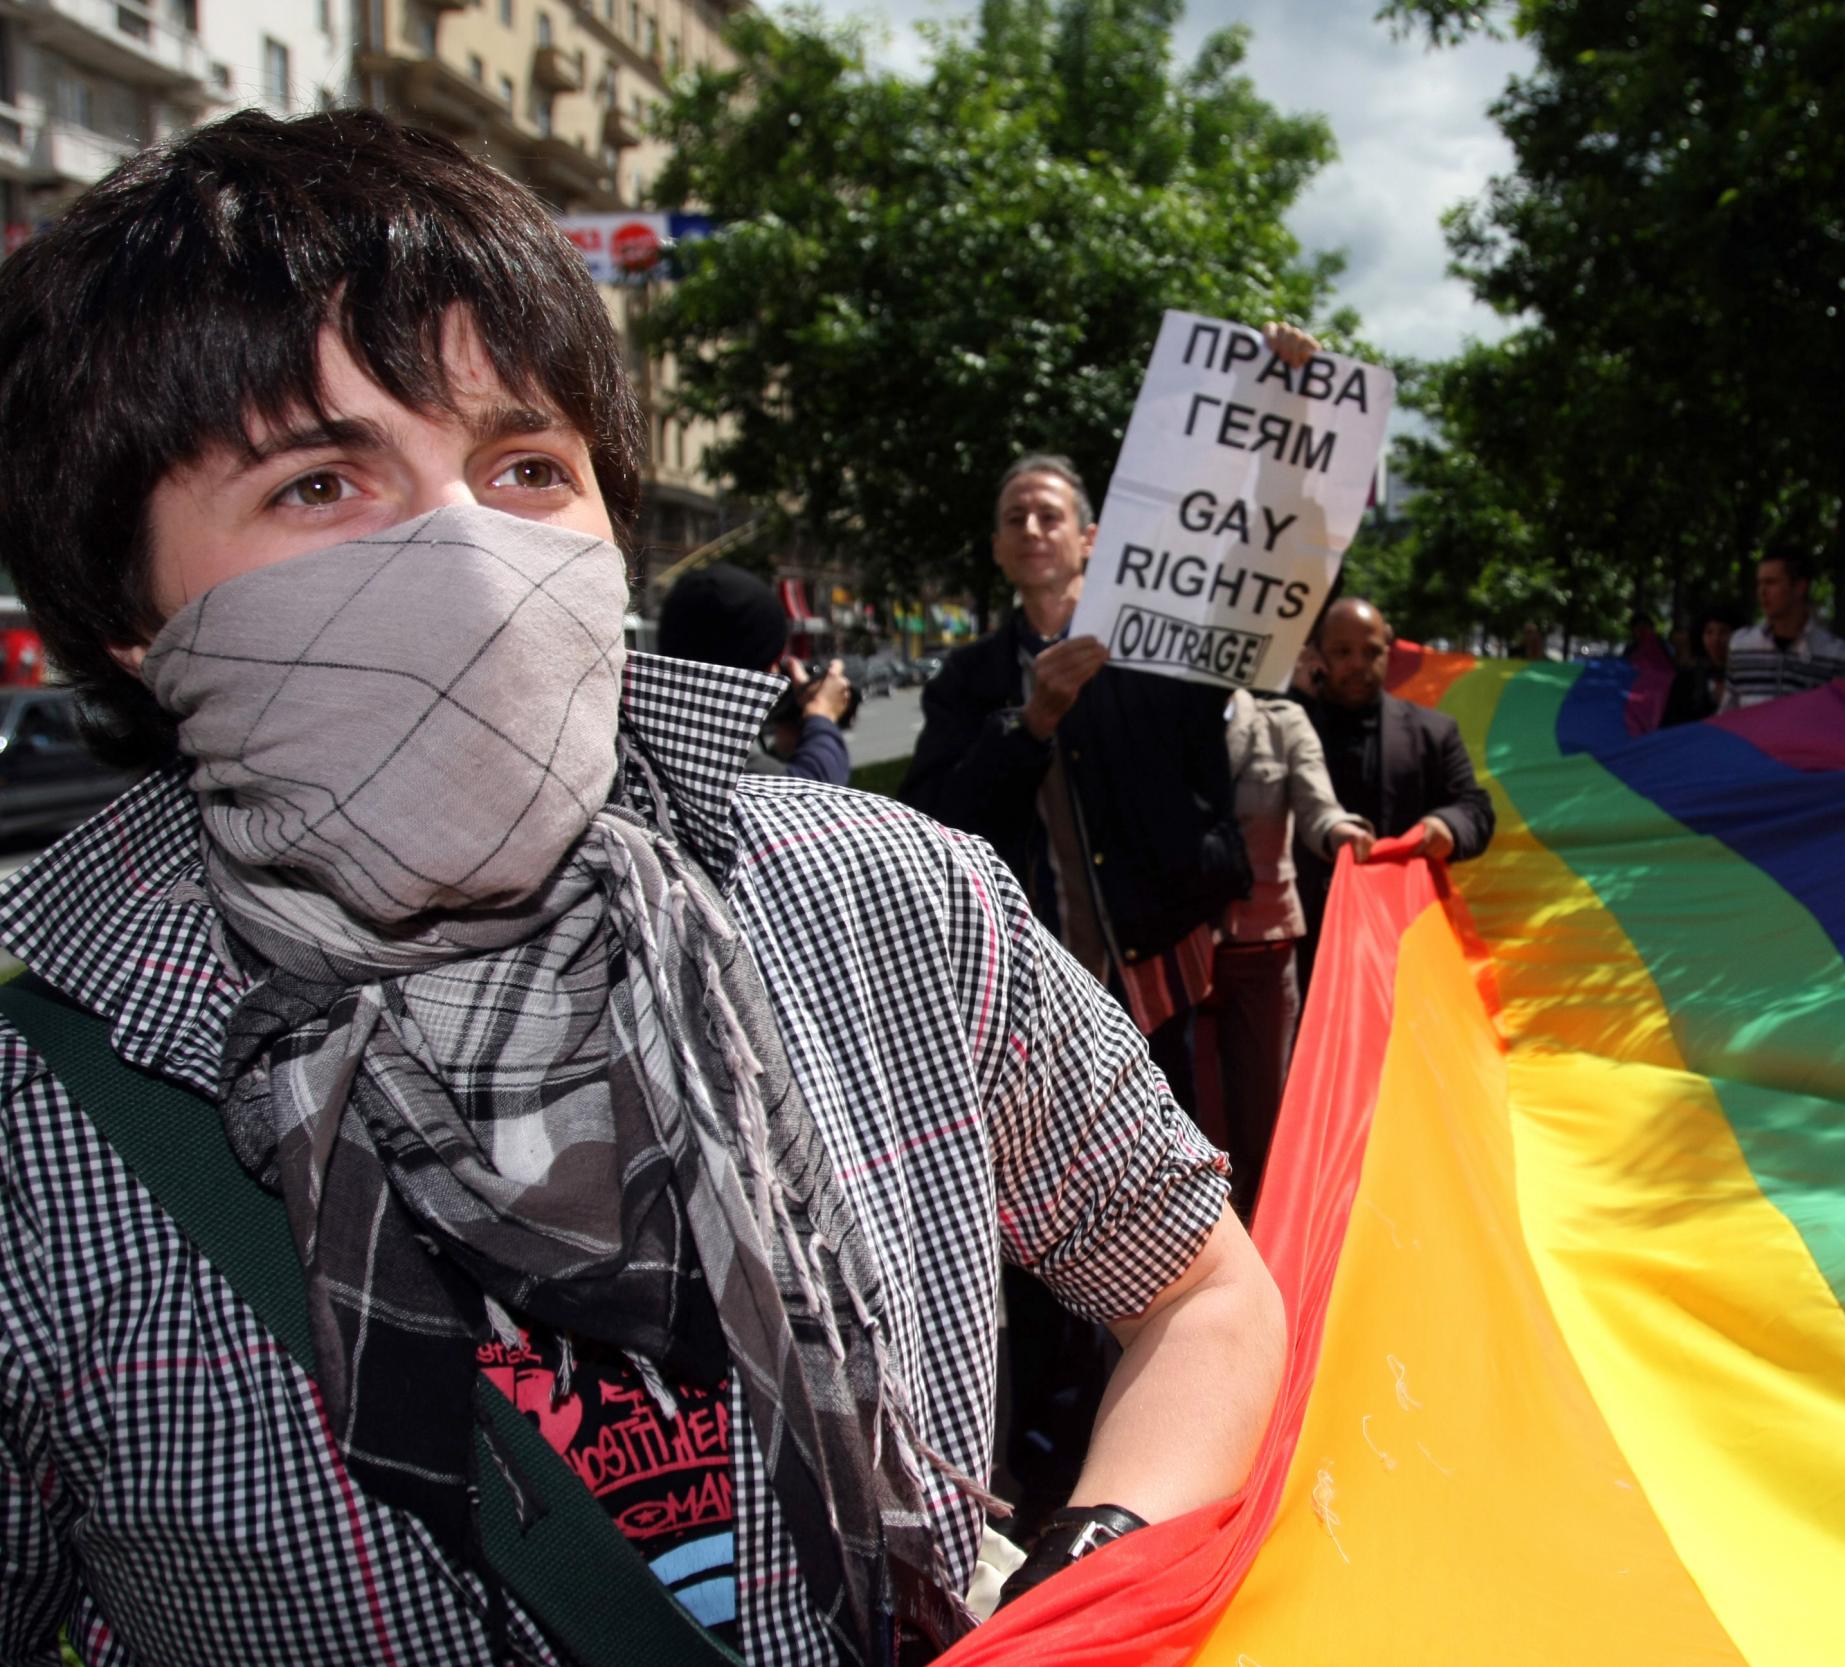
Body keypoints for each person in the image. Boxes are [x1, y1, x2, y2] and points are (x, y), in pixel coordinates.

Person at [0, 110, 1284, 1665]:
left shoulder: (899, 911)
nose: (468, 560)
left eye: (523, 463)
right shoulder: (38, 1117)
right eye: (321, 484)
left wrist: (1088, 1578)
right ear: (127, 611)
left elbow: (1203, 1288)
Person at [898, 454, 1246, 1108]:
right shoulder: (966, 679)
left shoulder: (1159, 648)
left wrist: (1287, 404)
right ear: (999, 550)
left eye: (1049, 516)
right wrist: (1029, 727)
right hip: (1028, 986)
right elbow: (932, 821)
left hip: (1153, 969)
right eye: (1014, 519)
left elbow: (1274, 598)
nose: (1032, 529)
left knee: (1170, 1161)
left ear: (1090, 539)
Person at [1197, 690, 1370, 1221]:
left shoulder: (1283, 721)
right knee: (1189, 1117)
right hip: (1179, 952)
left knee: (1266, 1118)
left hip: (1263, 948)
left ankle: (1269, 1242)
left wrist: (1340, 833)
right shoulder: (1160, 709)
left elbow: (1319, 807)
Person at [1295, 597, 1496, 979]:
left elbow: (1475, 808)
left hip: (1400, 935)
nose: (1358, 664)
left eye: (1371, 652)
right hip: (1307, 940)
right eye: (1342, 651)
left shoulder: (1433, 732)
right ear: (1316, 655)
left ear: (1388, 651)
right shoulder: (1286, 727)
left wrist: (1448, 826)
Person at [657, 562, 854, 785]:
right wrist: (822, 713)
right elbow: (813, 792)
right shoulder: (710, 748)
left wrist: (788, 740)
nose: (775, 672)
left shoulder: (665, 729)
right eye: (770, 661)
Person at [1721, 551, 1845, 710]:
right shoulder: (1742, 646)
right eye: (1759, 583)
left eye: (1771, 582)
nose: (1762, 592)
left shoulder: (1838, 656)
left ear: (1799, 587)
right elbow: (1729, 713)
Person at [1664, 603, 1741, 725]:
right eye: (1709, 632)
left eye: (1723, 632)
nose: (1716, 639)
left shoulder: (1747, 676)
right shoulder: (1686, 680)